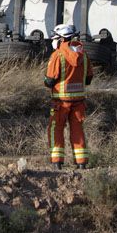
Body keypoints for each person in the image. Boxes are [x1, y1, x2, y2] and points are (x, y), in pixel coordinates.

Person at [45, 23, 94, 170]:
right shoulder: (83, 56)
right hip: (79, 102)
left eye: (55, 38)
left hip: (60, 102)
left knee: (56, 129)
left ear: (61, 39)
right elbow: (88, 79)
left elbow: (49, 80)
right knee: (77, 130)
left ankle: (57, 162)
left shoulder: (58, 55)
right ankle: (81, 163)